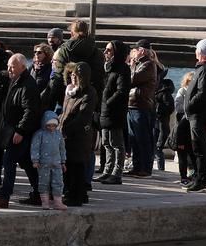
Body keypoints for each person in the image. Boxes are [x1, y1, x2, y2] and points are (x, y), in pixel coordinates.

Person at [0, 52, 45, 207]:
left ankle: (4, 197)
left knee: (9, 161)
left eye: (12, 66)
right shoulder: (16, 80)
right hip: (14, 130)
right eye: (8, 66)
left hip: (20, 132)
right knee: (26, 163)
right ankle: (39, 193)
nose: (9, 69)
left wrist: (20, 131)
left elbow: (30, 111)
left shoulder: (28, 84)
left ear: (23, 67)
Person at [180, 40, 206, 192]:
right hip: (196, 114)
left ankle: (201, 180)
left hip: (198, 115)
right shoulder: (203, 68)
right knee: (196, 148)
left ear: (202, 53)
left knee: (199, 148)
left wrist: (189, 105)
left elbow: (203, 93)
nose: (195, 52)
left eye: (197, 49)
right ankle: (197, 177)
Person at [59, 61, 96, 206]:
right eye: (72, 75)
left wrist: (66, 130)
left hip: (78, 136)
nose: (73, 78)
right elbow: (64, 112)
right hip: (67, 134)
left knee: (77, 166)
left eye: (77, 75)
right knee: (68, 166)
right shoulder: (69, 91)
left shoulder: (89, 92)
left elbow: (83, 117)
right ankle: (72, 192)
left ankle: (76, 195)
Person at [97, 39, 130, 185]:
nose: (105, 52)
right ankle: (107, 171)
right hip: (105, 111)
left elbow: (121, 91)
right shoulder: (108, 68)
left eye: (109, 50)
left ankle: (117, 173)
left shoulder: (123, 69)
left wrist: (108, 102)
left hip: (115, 111)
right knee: (106, 143)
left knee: (116, 143)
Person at [125, 42, 157, 178]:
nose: (133, 52)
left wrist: (131, 65)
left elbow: (132, 79)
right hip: (132, 105)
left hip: (141, 105)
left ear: (142, 51)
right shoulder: (139, 64)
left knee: (143, 138)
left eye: (135, 50)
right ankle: (137, 166)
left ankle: (145, 168)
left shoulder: (148, 64)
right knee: (134, 139)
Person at [31, 109, 67, 210]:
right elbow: (35, 148)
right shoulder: (39, 134)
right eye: (49, 125)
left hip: (57, 163)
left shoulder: (58, 135)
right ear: (44, 124)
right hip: (43, 164)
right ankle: (45, 202)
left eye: (54, 125)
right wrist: (35, 160)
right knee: (44, 182)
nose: (51, 128)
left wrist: (63, 162)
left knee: (58, 182)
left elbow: (62, 149)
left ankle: (58, 202)